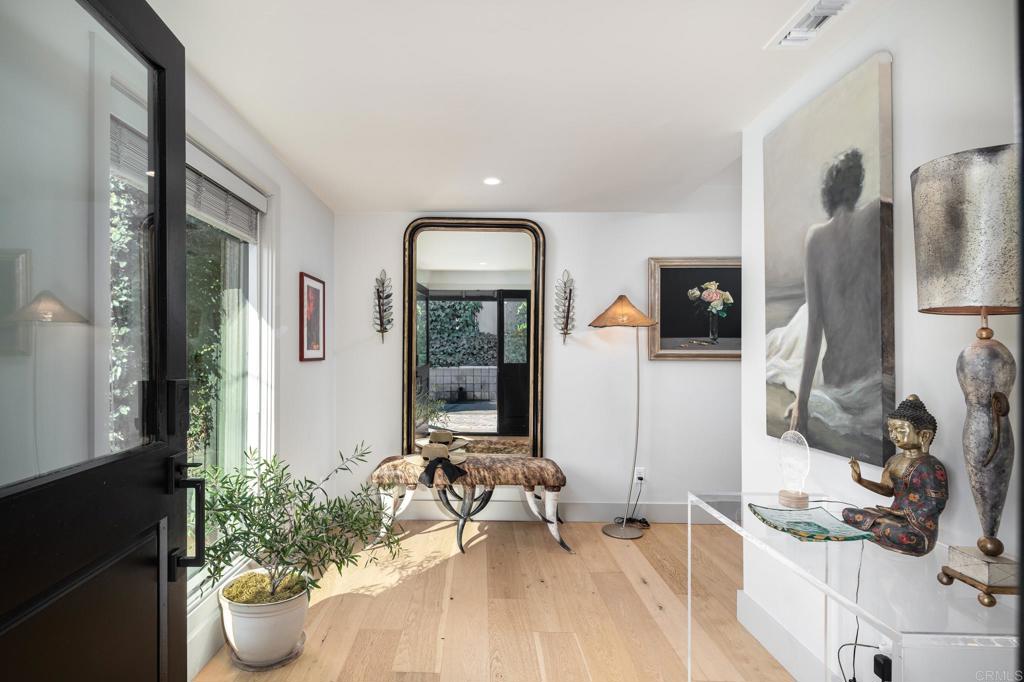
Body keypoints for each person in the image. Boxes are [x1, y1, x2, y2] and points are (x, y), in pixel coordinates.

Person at [786, 149, 886, 436]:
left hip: (840, 376)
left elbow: (815, 330)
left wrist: (801, 402)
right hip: (870, 373)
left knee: (804, 317)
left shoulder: (816, 237)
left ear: (827, 192)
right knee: (801, 318)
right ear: (856, 188)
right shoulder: (874, 216)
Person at [842, 395, 948, 557]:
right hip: (891, 515)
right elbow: (887, 490)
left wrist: (905, 514)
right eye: (891, 430)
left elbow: (936, 504)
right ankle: (879, 526)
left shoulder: (930, 466)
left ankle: (878, 528)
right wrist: (860, 480)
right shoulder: (894, 460)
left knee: (898, 534)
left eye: (900, 430)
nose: (893, 435)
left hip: (915, 526)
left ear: (924, 436)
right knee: (847, 513)